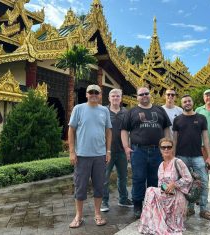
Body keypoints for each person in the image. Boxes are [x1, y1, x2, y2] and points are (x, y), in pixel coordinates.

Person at [121, 87, 171, 219]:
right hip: (138, 150)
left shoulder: (159, 110)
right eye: (141, 94)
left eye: (146, 93)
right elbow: (124, 130)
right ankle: (137, 204)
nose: (144, 96)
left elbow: (166, 128)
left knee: (155, 179)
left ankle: (153, 204)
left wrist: (167, 146)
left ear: (150, 95)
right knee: (138, 178)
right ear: (137, 97)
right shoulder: (132, 112)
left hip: (157, 151)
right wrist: (126, 147)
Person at [68, 84, 112, 228]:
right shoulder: (78, 109)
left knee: (99, 186)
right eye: (90, 92)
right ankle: (78, 216)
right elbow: (71, 130)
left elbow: (108, 131)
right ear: (86, 94)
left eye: (96, 92)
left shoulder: (104, 110)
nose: (93, 94)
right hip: (82, 155)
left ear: (100, 95)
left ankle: (97, 214)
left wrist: (108, 151)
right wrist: (72, 151)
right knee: (80, 186)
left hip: (100, 155)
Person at [172, 94, 210, 220]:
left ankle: (203, 209)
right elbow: (174, 139)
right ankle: (189, 208)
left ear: (193, 102)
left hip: (198, 156)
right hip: (181, 157)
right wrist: (173, 158)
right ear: (182, 104)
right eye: (184, 101)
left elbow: (206, 138)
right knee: (185, 183)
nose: (187, 103)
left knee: (204, 182)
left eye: (189, 101)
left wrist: (209, 157)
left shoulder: (201, 118)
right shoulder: (177, 119)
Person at [139, 138, 193, 235]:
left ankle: (153, 224)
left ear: (172, 148)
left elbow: (188, 178)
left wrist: (174, 184)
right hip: (166, 194)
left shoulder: (177, 162)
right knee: (150, 191)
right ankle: (152, 224)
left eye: (169, 147)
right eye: (163, 147)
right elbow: (160, 185)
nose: (166, 149)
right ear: (160, 149)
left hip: (177, 196)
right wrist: (166, 189)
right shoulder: (160, 165)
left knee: (150, 190)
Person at [101, 89, 133, 212]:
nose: (115, 98)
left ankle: (123, 199)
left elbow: (130, 131)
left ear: (121, 98)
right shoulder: (103, 111)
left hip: (122, 150)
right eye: (113, 96)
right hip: (106, 150)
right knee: (104, 178)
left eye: (118, 96)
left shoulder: (126, 112)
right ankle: (104, 201)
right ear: (109, 98)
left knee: (123, 177)